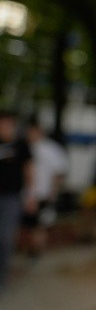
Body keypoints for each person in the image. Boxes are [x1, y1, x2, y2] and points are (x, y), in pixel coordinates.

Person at [19, 118, 68, 259]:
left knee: (40, 224)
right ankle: (30, 249)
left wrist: (53, 191)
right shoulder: (24, 147)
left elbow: (59, 172)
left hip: (43, 194)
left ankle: (36, 250)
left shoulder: (50, 149)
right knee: (28, 225)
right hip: (25, 195)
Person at [0, 110, 34, 292]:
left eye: (7, 124)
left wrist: (30, 195)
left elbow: (29, 171)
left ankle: (2, 277)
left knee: (5, 238)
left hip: (11, 197)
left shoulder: (21, 145)